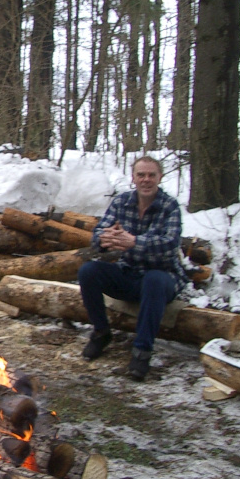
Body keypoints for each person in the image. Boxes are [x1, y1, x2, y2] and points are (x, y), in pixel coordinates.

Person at [76, 156, 188, 381]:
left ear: (160, 178)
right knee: (88, 271)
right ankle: (101, 332)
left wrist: (135, 242)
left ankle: (142, 350)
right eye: (141, 175)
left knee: (154, 280)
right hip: (129, 273)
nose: (146, 180)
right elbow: (97, 236)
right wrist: (106, 239)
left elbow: (170, 245)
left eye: (151, 175)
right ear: (133, 178)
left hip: (163, 277)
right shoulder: (122, 202)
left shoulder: (169, 206)